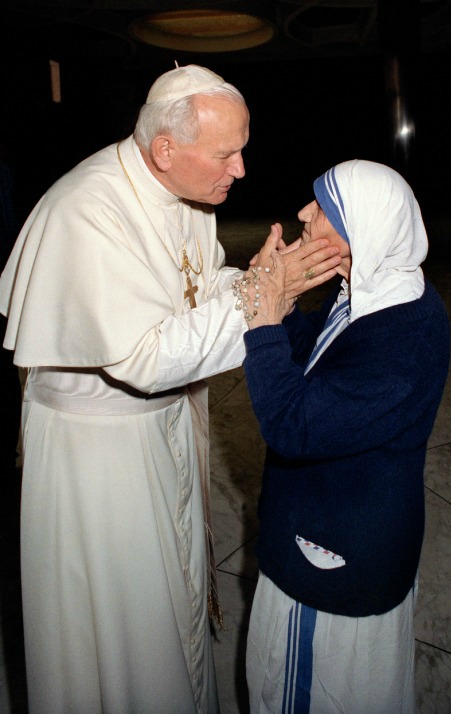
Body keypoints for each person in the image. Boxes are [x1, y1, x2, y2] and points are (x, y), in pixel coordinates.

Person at [0, 64, 340, 714]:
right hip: (99, 462)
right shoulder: (88, 212)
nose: (240, 170)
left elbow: (198, 285)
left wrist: (253, 279)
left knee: (172, 606)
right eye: (226, 153)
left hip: (158, 432)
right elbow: (147, 357)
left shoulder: (182, 193)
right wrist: (262, 298)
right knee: (128, 632)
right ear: (166, 150)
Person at [235, 160, 451, 713]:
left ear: (366, 231)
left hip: (334, 560)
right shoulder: (379, 290)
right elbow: (320, 351)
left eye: (325, 208)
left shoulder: (402, 344)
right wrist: (282, 306)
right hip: (341, 530)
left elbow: (293, 425)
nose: (305, 213)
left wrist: (261, 322)